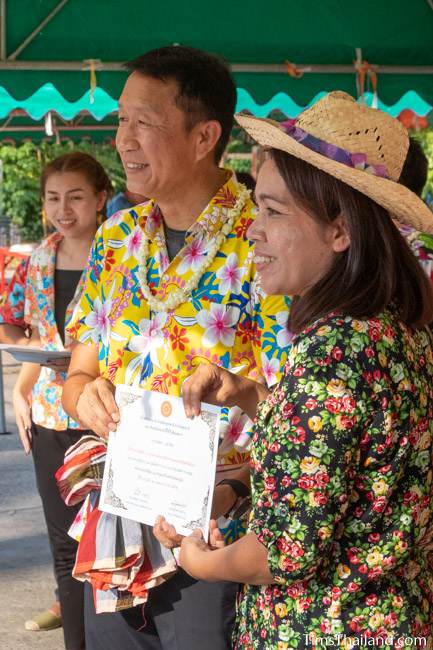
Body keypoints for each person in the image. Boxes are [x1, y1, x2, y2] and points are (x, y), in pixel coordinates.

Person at [161, 92, 433, 648]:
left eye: (274, 211)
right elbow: (346, 441)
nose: (254, 229)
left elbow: (282, 553)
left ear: (341, 231)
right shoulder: (392, 329)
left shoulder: (331, 351)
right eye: (257, 207)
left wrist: (199, 559)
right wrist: (249, 395)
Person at [60, 45, 291, 650]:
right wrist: (84, 397)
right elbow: (78, 373)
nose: (122, 140)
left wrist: (240, 398)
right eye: (120, 121)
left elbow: (301, 408)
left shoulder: (263, 240)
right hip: (117, 518)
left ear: (203, 136)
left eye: (144, 123)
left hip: (221, 532)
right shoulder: (116, 238)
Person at [12, 151, 112, 650]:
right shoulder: (39, 257)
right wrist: (20, 387)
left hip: (101, 412)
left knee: (107, 542)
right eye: (53, 197)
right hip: (51, 413)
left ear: (100, 199)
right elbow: (38, 334)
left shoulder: (120, 250)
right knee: (62, 546)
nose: (63, 208)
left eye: (75, 196)